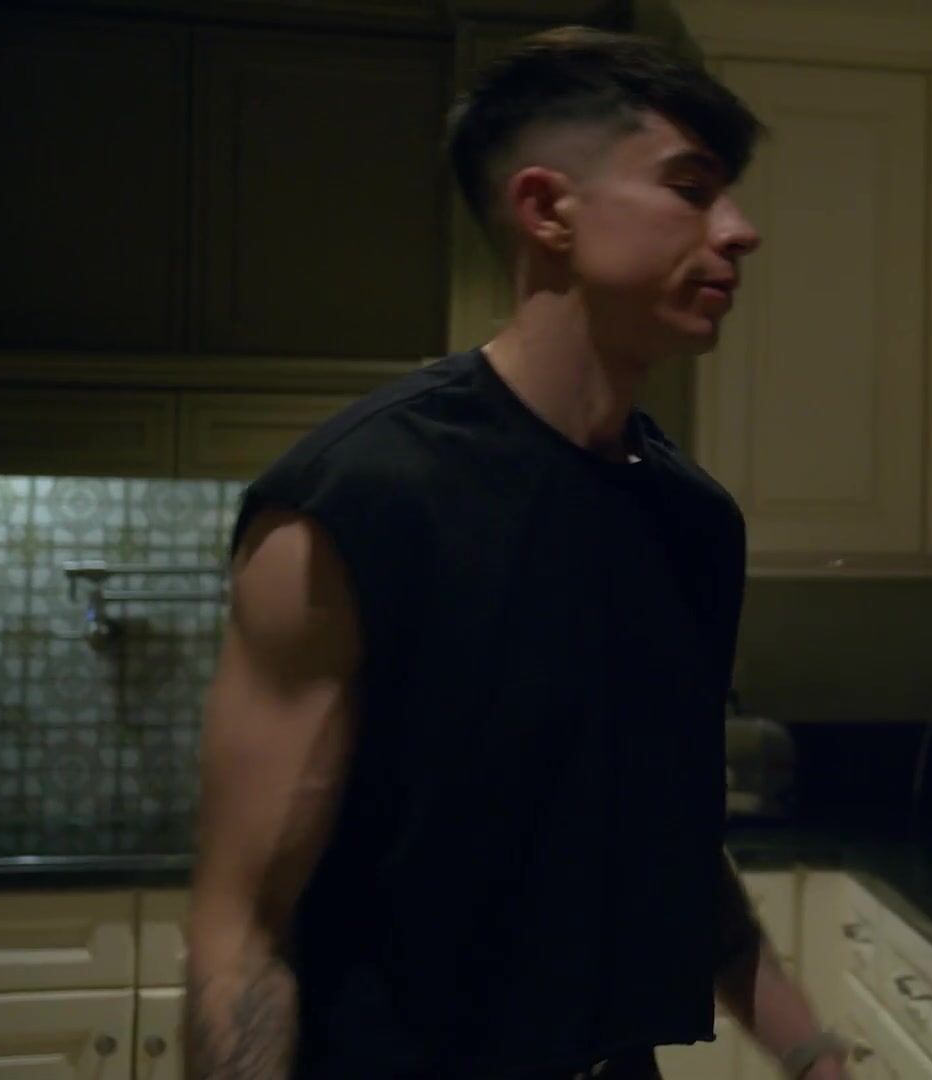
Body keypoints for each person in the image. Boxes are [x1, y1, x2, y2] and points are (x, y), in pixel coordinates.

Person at [184, 27, 849, 1080]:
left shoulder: (692, 522)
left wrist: (811, 1053)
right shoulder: (357, 501)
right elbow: (241, 931)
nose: (740, 230)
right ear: (547, 210)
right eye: (691, 189)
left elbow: (663, 844)